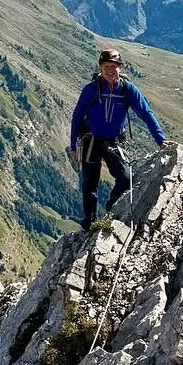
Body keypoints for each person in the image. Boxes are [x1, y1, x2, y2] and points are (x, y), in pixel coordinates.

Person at [68, 48, 167, 232]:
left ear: (120, 68)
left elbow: (146, 113)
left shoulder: (127, 89)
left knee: (125, 178)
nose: (110, 70)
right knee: (90, 182)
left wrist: (160, 140)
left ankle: (111, 206)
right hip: (90, 141)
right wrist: (73, 146)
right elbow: (77, 116)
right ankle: (89, 223)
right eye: (106, 66)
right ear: (100, 67)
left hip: (113, 143)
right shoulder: (92, 89)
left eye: (114, 66)